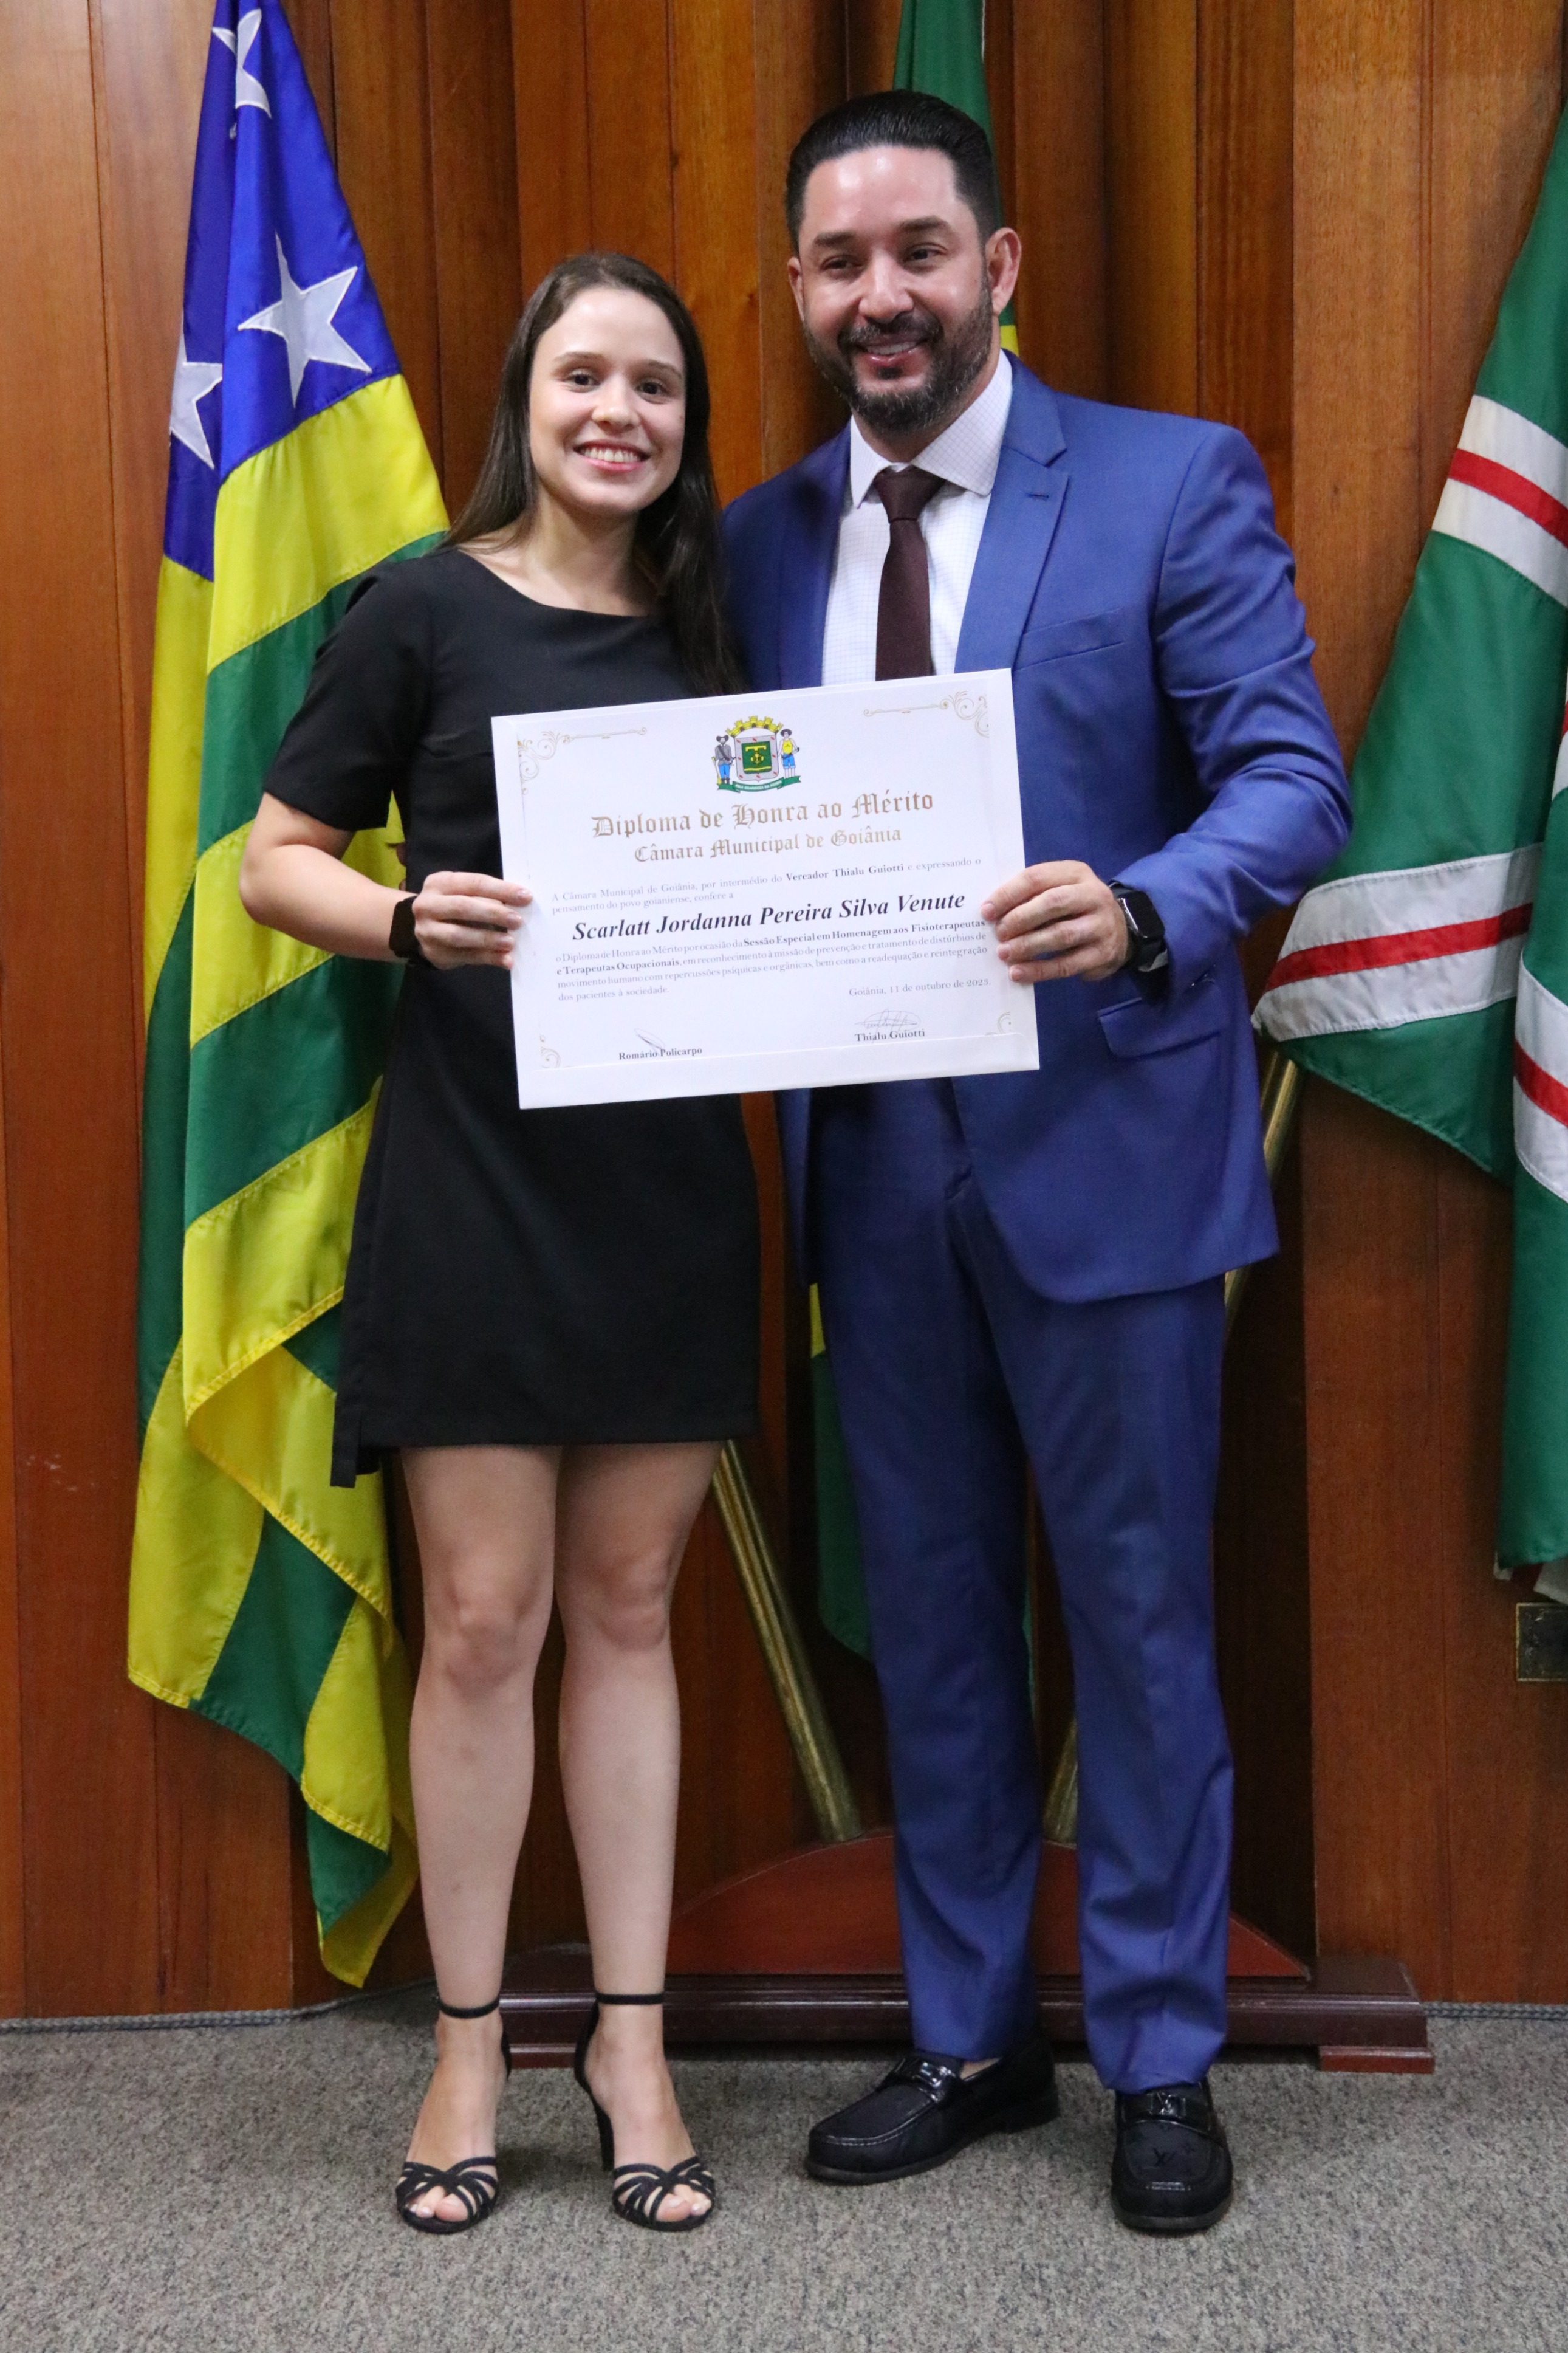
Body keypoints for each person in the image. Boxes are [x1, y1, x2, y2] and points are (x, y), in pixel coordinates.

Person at [724, 91, 1351, 2234]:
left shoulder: (1173, 480)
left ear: (997, 265)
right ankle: (970, 2037)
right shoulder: (758, 542)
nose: (880, 294)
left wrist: (1152, 902)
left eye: (918, 250)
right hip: (871, 1169)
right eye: (840, 262)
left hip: (1110, 1145)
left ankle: (1159, 2057)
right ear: (798, 291)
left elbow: (1293, 776)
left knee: (1141, 1614)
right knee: (932, 1616)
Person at [240, 252, 756, 2238]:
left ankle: (631, 2046)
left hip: (665, 1184)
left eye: (656, 385)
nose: (620, 412)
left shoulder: (722, 625)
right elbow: (277, 859)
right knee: (482, 1620)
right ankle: (469, 2046)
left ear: (686, 423)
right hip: (472, 1178)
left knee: (629, 1611)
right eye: (584, 377)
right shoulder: (421, 608)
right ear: (525, 402)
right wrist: (407, 921)